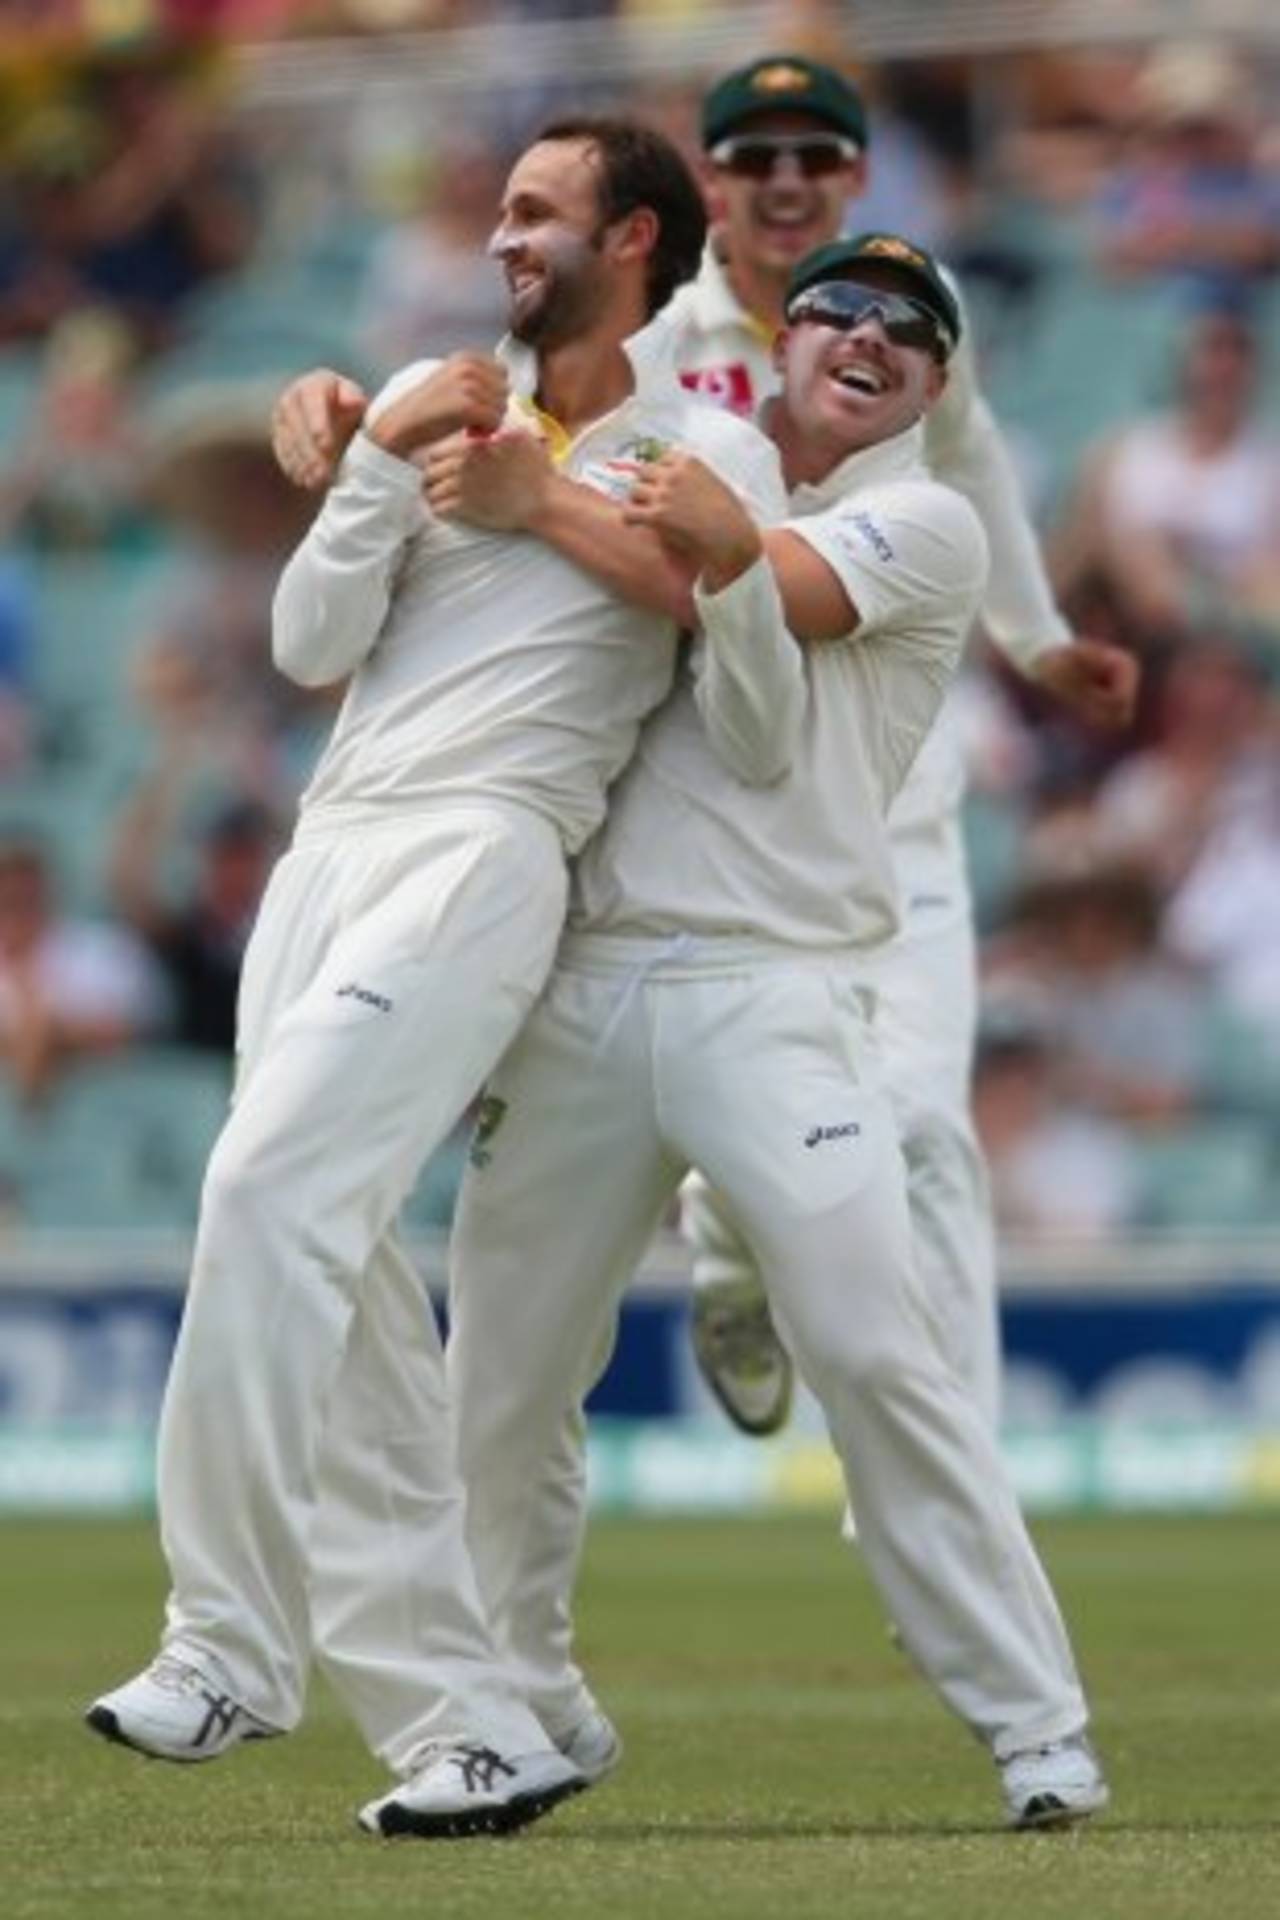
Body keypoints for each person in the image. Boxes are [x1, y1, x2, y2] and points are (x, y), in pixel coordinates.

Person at [86, 115, 785, 1843]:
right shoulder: (432, 391)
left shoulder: (696, 448)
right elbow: (311, 646)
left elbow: (722, 621)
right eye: (500, 209)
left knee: (264, 1187)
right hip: (331, 848)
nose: (503, 238)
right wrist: (377, 460)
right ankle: (476, 1725)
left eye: (539, 214)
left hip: (486, 850)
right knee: (359, 1313)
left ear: (635, 240)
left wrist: (534, 498)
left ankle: (231, 1645)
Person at [436, 234, 1109, 1829]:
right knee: (506, 1384)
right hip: (584, 990)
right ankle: (526, 1709)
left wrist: (600, 510)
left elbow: (752, 594)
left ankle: (1040, 1729)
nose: (867, 336)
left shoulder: (926, 522)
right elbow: (583, 532)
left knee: (884, 1355)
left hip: (777, 990)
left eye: (909, 332)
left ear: (937, 388)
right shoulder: (683, 455)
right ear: (783, 336)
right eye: (837, 311)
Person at [658, 53, 1139, 1437]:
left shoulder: (922, 327)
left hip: (893, 802)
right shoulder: (655, 338)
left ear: (858, 174)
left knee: (927, 1133)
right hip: (723, 803)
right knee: (719, 1135)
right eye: (759, 158)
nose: (790, 180)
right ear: (715, 184)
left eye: (817, 155)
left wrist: (1036, 636)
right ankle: (733, 1242)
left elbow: (975, 461)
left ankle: (959, 1497)